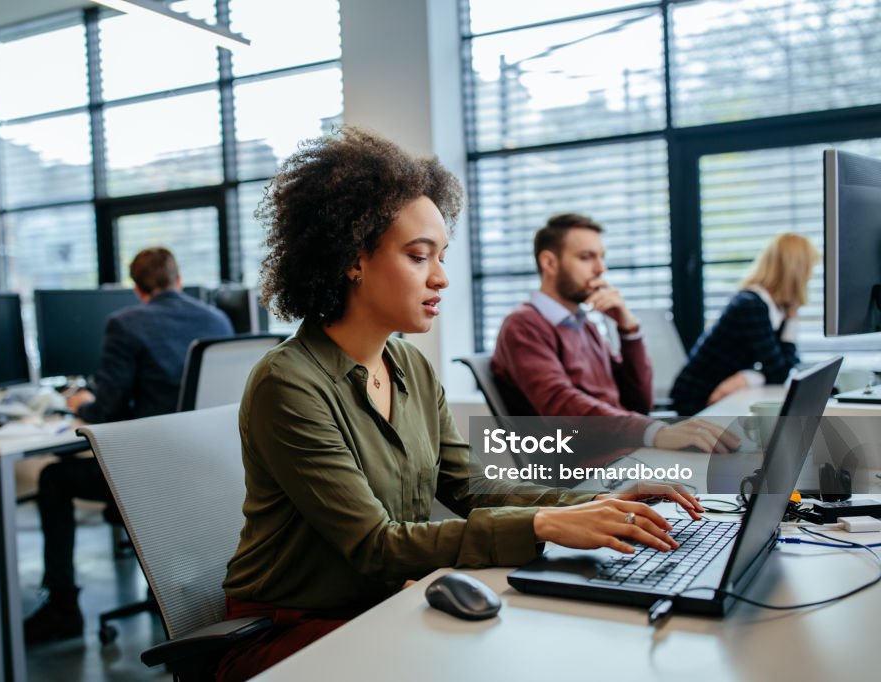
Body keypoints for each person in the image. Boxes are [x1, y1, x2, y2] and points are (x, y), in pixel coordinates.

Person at [214, 128, 704, 682]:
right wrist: (548, 523)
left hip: (381, 604)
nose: (441, 277)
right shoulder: (289, 382)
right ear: (353, 259)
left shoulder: (412, 367)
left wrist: (599, 499)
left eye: (441, 256)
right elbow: (376, 545)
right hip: (288, 632)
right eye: (419, 256)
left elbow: (471, 487)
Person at [23, 247, 233, 644]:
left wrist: (81, 402)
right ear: (179, 279)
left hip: (151, 475)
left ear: (137, 288)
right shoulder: (216, 318)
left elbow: (106, 409)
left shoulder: (125, 323)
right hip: (210, 469)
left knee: (54, 477)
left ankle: (63, 608)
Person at [491, 213, 738, 454]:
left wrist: (629, 330)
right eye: (587, 257)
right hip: (588, 469)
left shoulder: (583, 324)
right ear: (549, 263)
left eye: (602, 257)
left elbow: (639, 403)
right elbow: (562, 407)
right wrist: (655, 432)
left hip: (624, 452)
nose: (601, 268)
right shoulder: (523, 325)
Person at [670, 233, 819, 416]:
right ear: (796, 273)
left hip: (721, 394)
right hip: (698, 398)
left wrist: (791, 317)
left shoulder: (773, 309)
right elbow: (778, 373)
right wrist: (750, 376)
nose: (809, 278)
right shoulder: (750, 305)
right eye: (809, 271)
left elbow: (787, 366)